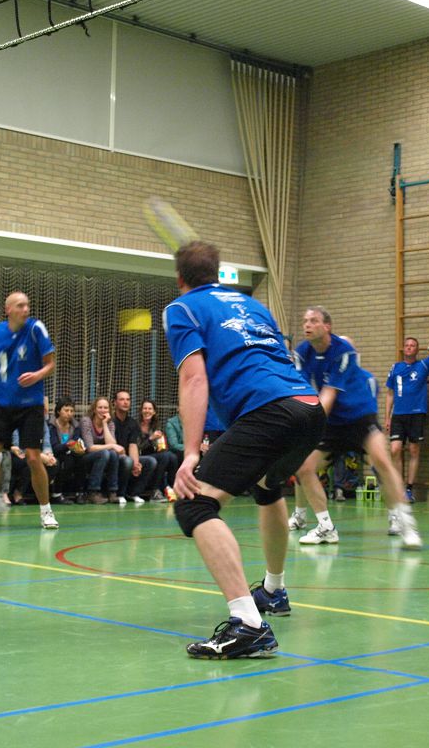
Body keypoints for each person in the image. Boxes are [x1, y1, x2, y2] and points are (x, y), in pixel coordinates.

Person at [164, 241, 326, 659]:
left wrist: (191, 453)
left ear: (180, 279)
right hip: (308, 408)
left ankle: (249, 625)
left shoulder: (181, 309)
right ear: (217, 272)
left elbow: (194, 379)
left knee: (194, 505)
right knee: (268, 488)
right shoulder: (253, 305)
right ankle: (273, 590)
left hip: (268, 410)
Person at [291, 306, 422, 549]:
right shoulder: (302, 352)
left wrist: (305, 423)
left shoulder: (343, 351)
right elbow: (299, 389)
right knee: (304, 468)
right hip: (332, 424)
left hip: (359, 417)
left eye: (314, 320)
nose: (307, 324)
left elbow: (328, 395)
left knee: (382, 462)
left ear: (327, 326)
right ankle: (325, 527)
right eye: (305, 320)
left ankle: (406, 525)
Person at [0, 291, 58, 529]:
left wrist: (37, 376)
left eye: (27, 305)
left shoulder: (36, 329)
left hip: (30, 405)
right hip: (2, 404)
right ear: (8, 309)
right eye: (20, 305)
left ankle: (46, 511)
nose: (26, 309)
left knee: (32, 457)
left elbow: (51, 364)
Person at [385, 309, 429, 502]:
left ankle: (409, 488)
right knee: (395, 449)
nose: (409, 347)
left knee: (414, 451)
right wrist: (387, 417)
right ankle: (398, 486)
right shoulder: (395, 368)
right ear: (403, 349)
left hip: (416, 414)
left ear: (417, 349)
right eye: (407, 345)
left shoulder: (423, 365)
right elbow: (390, 394)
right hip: (398, 415)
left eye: (412, 345)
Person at [111, 390, 156, 504]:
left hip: (127, 456)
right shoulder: (110, 420)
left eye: (128, 399)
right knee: (128, 461)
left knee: (150, 461)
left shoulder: (132, 422)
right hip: (113, 456)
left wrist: (136, 463)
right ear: (114, 402)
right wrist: (130, 460)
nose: (125, 402)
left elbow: (133, 444)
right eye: (122, 399)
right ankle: (120, 494)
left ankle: (133, 493)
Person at [79, 396, 123, 504]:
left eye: (105, 408)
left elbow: (111, 444)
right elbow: (90, 447)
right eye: (100, 407)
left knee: (113, 454)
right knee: (105, 453)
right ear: (94, 409)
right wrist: (111, 446)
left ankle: (112, 492)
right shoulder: (86, 421)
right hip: (85, 457)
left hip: (103, 457)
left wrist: (104, 424)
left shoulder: (110, 423)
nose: (103, 410)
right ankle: (93, 492)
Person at [138, 398, 178, 501]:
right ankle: (154, 490)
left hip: (153, 454)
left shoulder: (155, 425)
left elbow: (159, 446)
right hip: (140, 455)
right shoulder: (136, 425)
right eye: (145, 408)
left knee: (172, 456)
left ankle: (171, 488)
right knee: (165, 456)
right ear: (141, 410)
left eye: (150, 409)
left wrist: (160, 444)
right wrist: (150, 438)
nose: (147, 411)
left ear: (154, 412)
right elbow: (137, 447)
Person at [50, 397, 86, 503]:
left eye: (71, 411)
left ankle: (79, 493)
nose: (69, 413)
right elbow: (54, 447)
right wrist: (68, 445)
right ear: (58, 411)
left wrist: (78, 448)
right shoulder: (51, 425)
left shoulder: (75, 426)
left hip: (71, 453)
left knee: (82, 458)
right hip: (54, 454)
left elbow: (77, 441)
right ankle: (57, 494)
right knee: (66, 460)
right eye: (66, 410)